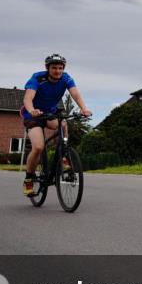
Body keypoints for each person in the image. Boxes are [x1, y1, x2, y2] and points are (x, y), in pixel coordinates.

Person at [20, 54, 92, 196]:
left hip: (50, 113)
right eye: (54, 68)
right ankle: (29, 178)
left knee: (63, 124)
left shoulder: (66, 78)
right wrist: (31, 110)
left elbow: (75, 94)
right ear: (47, 68)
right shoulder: (37, 78)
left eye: (60, 68)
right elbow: (28, 97)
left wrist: (84, 109)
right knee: (39, 147)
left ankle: (63, 156)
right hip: (33, 115)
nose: (57, 71)